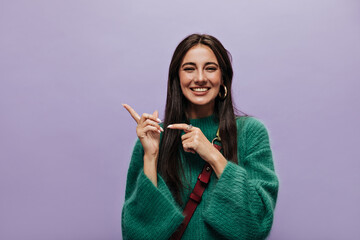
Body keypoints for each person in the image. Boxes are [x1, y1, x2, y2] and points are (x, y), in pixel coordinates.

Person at [121, 34, 279, 240]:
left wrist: (213, 156)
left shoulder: (251, 132)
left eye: (210, 68)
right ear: (177, 78)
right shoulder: (153, 137)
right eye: (189, 68)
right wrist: (151, 156)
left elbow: (256, 226)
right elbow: (137, 236)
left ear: (223, 77)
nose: (200, 77)